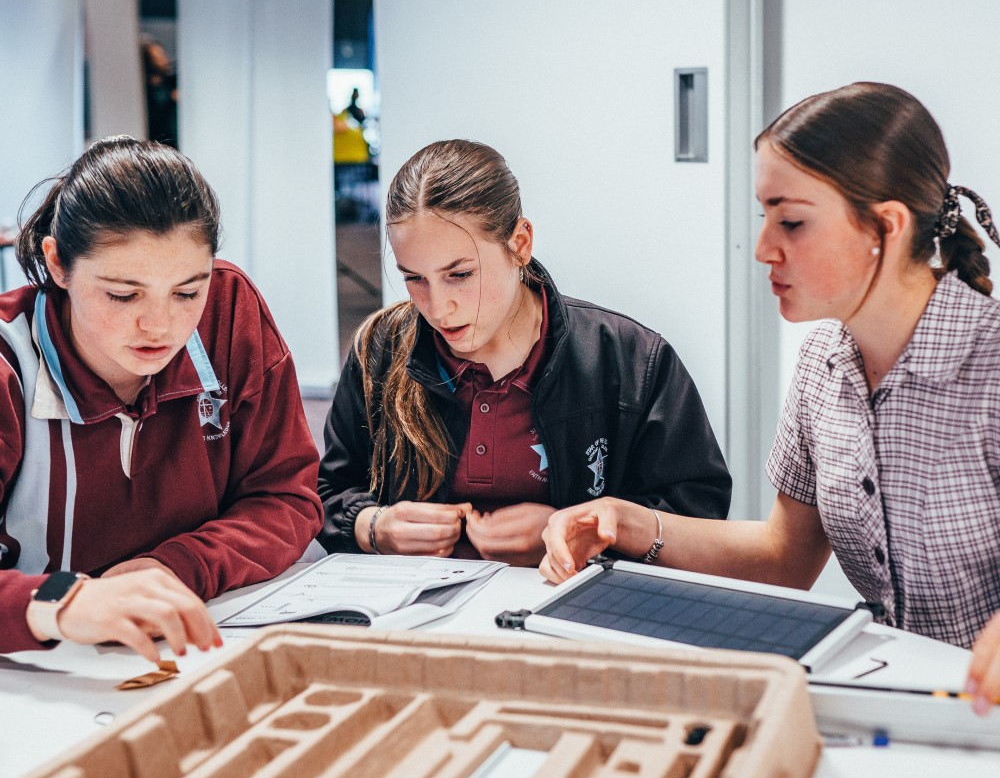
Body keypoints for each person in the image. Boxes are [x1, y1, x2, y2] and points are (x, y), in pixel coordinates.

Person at [541, 82, 1000, 713]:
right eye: (764, 217)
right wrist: (630, 522)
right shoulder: (823, 362)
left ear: (886, 228)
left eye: (791, 221)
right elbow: (785, 558)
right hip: (907, 703)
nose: (763, 249)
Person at [318, 139, 730, 566]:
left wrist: (580, 536)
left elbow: (696, 515)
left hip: (572, 615)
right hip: (417, 617)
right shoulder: (379, 349)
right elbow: (324, 494)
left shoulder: (631, 359)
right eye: (414, 278)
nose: (438, 308)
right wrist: (372, 527)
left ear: (520, 243)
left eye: (460, 274)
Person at [0, 136, 322, 657]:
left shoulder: (230, 311)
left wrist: (174, 567)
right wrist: (63, 602)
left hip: (195, 646)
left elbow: (286, 497)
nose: (160, 326)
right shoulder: (6, 364)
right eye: (122, 294)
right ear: (57, 264)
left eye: (188, 292)